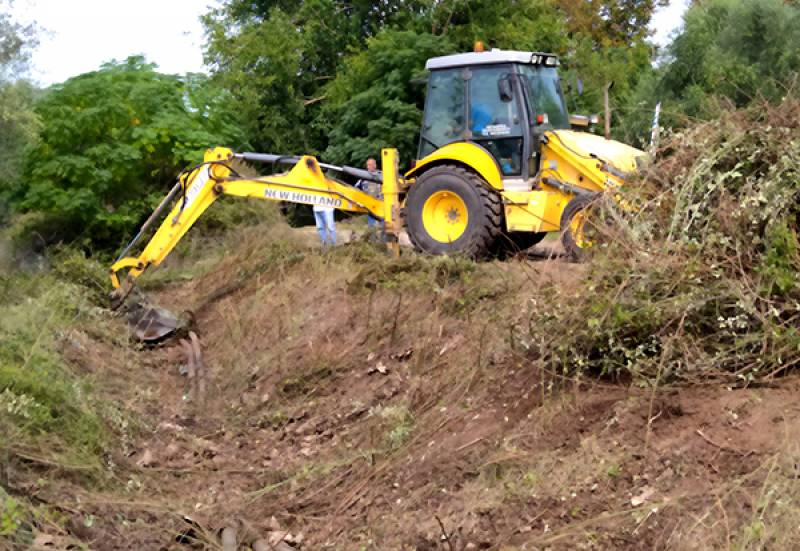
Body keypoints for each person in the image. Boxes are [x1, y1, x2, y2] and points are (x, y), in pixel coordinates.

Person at [356, 157, 385, 242]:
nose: (370, 166)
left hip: (381, 206)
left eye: (372, 164)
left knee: (384, 226)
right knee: (371, 226)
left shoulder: (381, 176)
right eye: (368, 165)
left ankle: (384, 243)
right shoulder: (362, 178)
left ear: (375, 165)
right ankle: (373, 243)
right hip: (370, 206)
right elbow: (356, 190)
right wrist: (360, 201)